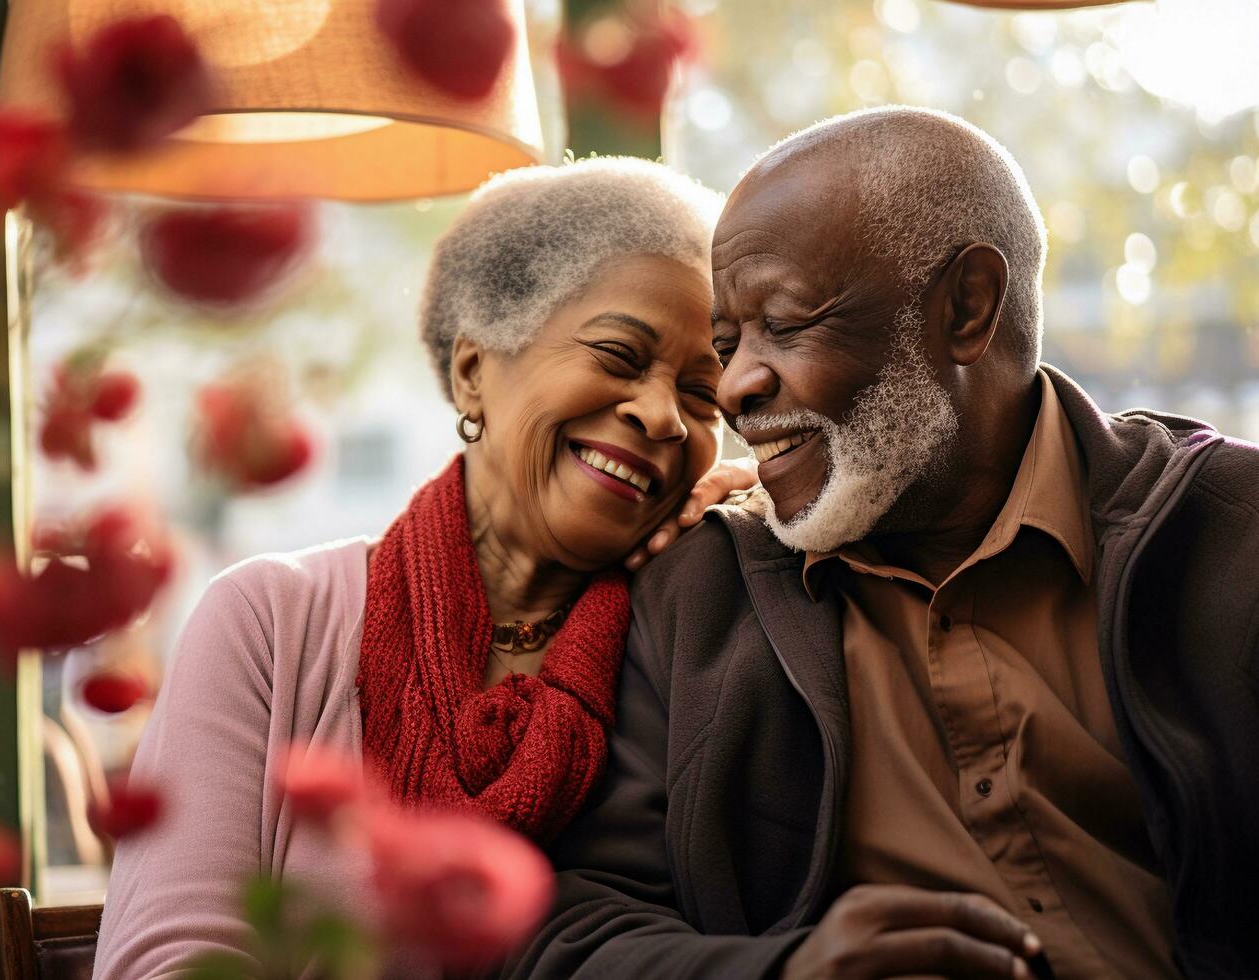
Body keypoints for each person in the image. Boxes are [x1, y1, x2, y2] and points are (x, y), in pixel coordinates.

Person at [509, 107, 1259, 980]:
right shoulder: (698, 595)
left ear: (967, 308)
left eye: (783, 324)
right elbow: (569, 933)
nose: (736, 387)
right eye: (727, 344)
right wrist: (786, 971)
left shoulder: (1231, 536)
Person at [91, 157, 754, 978]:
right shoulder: (272, 623)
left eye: (702, 395)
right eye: (620, 356)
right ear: (475, 371)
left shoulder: (686, 647)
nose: (660, 413)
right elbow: (170, 961)